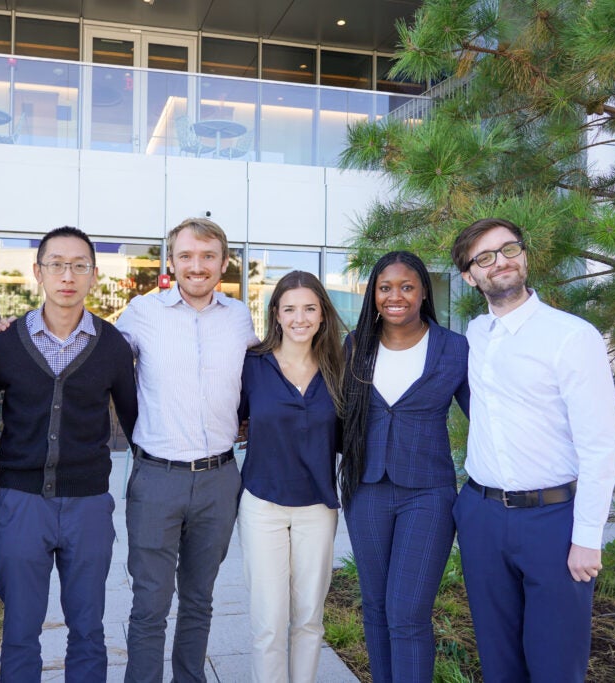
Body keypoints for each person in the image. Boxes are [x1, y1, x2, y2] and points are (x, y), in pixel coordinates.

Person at [450, 218, 615, 682]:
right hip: (482, 516)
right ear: (470, 276)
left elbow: (600, 444)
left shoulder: (571, 336)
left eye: (508, 249)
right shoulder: (474, 337)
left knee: (555, 664)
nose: (500, 262)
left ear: (524, 256)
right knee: (498, 661)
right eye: (485, 257)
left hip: (553, 521)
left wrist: (588, 536)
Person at [0, 226, 137, 682]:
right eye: (56, 264)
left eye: (79, 265)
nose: (66, 275)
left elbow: (134, 423)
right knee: (19, 630)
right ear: (38, 272)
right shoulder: (4, 342)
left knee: (88, 628)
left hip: (89, 505)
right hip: (21, 503)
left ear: (93, 275)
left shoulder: (113, 345)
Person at [116, 217, 258, 683]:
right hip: (157, 478)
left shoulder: (239, 316)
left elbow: (263, 377)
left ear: (223, 262)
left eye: (208, 256)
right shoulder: (142, 312)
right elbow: (96, 359)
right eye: (186, 256)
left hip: (220, 479)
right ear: (172, 260)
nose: (197, 266)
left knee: (199, 599)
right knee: (151, 603)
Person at [338, 250, 470, 683]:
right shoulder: (356, 344)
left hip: (427, 494)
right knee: (375, 607)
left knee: (408, 611)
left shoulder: (453, 347)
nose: (396, 296)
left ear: (423, 292)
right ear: (373, 293)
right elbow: (334, 413)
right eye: (385, 287)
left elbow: (485, 419)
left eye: (407, 286)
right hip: (367, 489)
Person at [236, 271, 345, 683]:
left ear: (322, 315)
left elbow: (348, 434)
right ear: (276, 315)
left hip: (317, 508)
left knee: (309, 620)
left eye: (309, 308)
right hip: (262, 504)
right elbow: (230, 416)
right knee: (268, 623)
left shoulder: (339, 368)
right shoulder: (253, 366)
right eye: (290, 309)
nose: (300, 318)